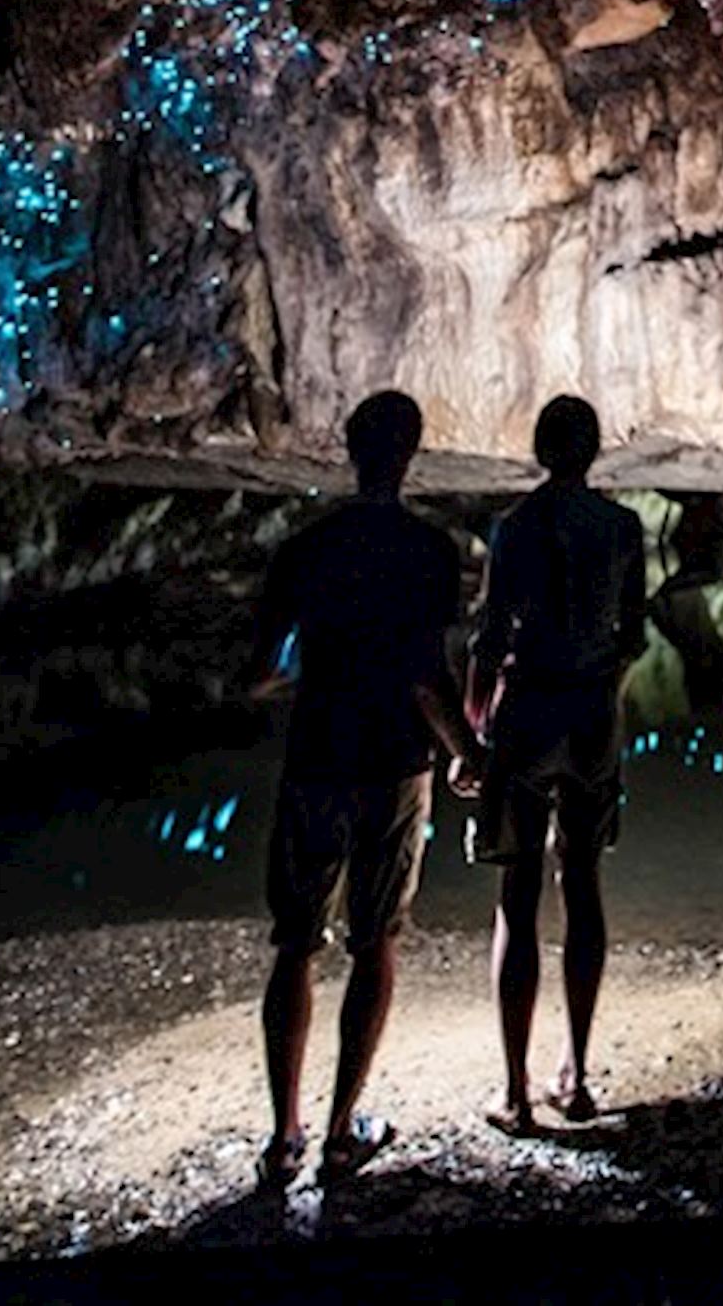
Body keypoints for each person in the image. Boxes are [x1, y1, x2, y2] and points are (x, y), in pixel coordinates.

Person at [245, 388, 477, 1188]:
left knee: (295, 946)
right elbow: (425, 673)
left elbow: (262, 672)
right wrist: (468, 750)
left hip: (316, 756)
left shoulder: (306, 550)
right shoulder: (429, 552)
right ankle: (344, 1131)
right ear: (410, 454)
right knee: (376, 939)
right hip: (393, 763)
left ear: (349, 449)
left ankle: (283, 1140)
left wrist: (306, 670)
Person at [466, 391, 649, 1127]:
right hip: (592, 710)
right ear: (593, 451)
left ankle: (515, 1091)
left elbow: (487, 637)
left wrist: (477, 728)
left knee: (517, 894)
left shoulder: (516, 528)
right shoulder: (622, 526)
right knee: (584, 880)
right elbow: (632, 634)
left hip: (531, 707)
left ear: (541, 450)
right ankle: (575, 1076)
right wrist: (604, 689)